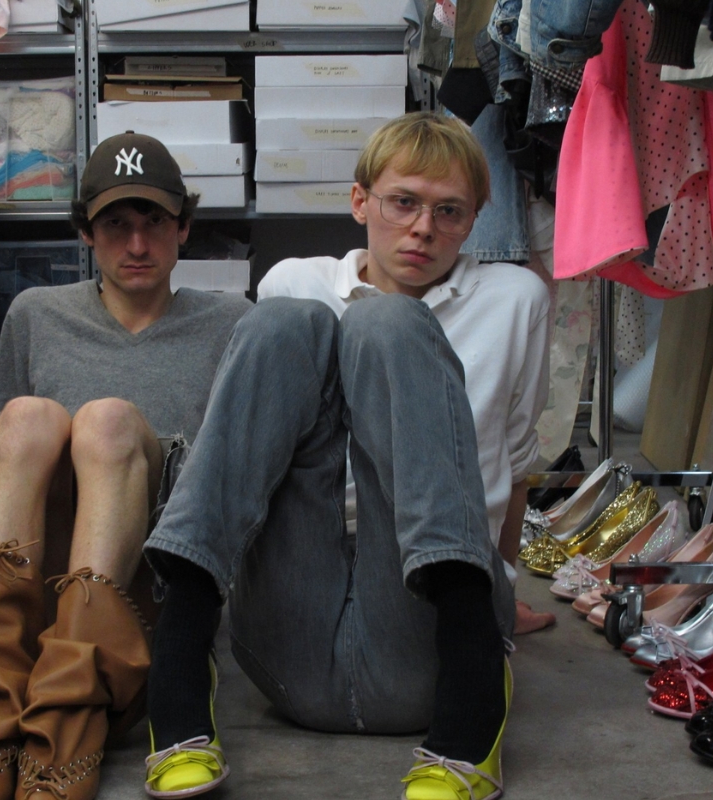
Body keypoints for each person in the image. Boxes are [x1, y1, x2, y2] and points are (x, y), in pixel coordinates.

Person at [140, 111, 550, 800]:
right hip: (293, 641)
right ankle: (181, 657)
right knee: (285, 323)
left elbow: (513, 460)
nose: (423, 228)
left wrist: (500, 589)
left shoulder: (515, 300)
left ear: (475, 220)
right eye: (403, 202)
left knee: (387, 323)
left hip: (432, 635)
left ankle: (476, 685)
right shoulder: (292, 282)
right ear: (361, 201)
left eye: (448, 211)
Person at [0, 131, 251, 800]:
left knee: (107, 421)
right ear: (85, 232)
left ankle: (68, 719)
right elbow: (4, 465)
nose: (136, 244)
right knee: (26, 418)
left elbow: (234, 486)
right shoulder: (35, 315)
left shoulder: (231, 324)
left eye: (154, 222)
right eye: (115, 225)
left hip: (148, 602)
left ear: (184, 228)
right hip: (35, 595)